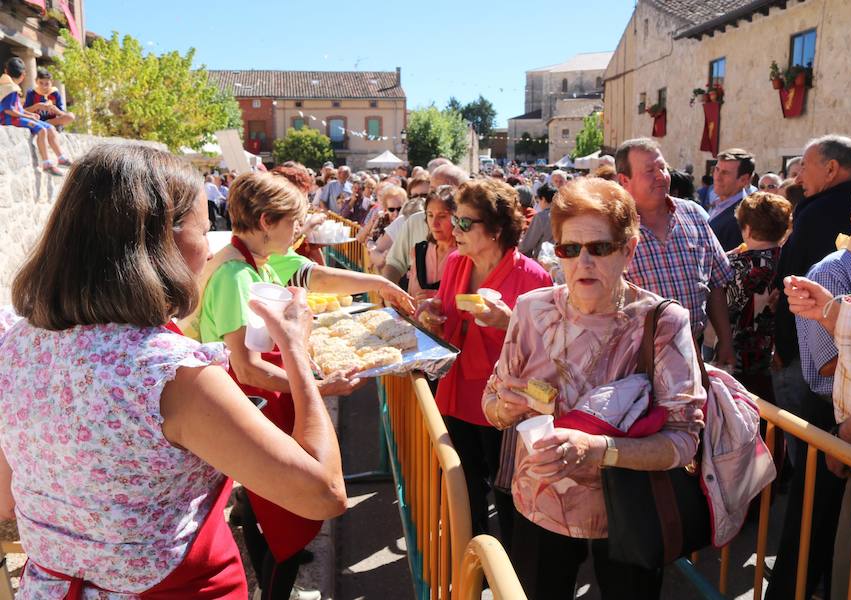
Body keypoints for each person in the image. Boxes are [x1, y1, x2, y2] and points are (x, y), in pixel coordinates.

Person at [0, 145, 348, 598]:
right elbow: (323, 493)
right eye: (206, 230)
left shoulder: (15, 344)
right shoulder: (174, 376)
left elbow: (7, 499)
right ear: (164, 241)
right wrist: (297, 353)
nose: (209, 248)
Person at [191, 171, 411, 600]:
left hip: (267, 402)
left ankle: (273, 556)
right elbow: (249, 369)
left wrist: (380, 283)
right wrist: (320, 389)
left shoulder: (262, 258)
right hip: (252, 403)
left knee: (265, 504)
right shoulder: (236, 276)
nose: (298, 232)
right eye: (292, 222)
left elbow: (318, 278)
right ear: (266, 219)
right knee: (284, 515)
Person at [482, 177, 705, 599]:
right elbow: (490, 403)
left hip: (628, 510)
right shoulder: (532, 310)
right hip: (539, 505)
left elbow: (684, 441)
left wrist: (597, 449)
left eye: (599, 248)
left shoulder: (661, 322)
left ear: (629, 249)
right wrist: (506, 409)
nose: (582, 263)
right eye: (569, 249)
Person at [767, 173, 851, 600]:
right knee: (814, 528)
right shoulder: (836, 269)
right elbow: (824, 365)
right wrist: (827, 311)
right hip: (836, 423)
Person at [417, 179, 552, 548]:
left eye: (465, 223)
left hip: (504, 403)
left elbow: (548, 347)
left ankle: (509, 572)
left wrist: (508, 321)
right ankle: (471, 570)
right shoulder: (457, 263)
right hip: (458, 391)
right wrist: (432, 311)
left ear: (495, 230)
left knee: (507, 492)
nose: (454, 229)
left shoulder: (533, 276)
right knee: (465, 490)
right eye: (455, 220)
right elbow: (445, 312)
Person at [773, 135, 851, 464]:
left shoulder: (818, 212)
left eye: (803, 167)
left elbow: (794, 285)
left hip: (812, 357)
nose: (797, 177)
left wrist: (781, 347)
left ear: (831, 169)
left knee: (809, 458)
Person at [614, 138, 736, 367]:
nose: (661, 176)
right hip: (637, 361)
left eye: (663, 167)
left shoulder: (694, 214)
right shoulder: (613, 229)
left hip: (694, 354)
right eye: (650, 171)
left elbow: (716, 283)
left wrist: (726, 340)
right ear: (624, 180)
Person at [724, 192, 792, 397]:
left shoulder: (730, 265)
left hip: (735, 362)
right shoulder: (790, 261)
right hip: (777, 360)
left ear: (748, 229)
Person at [381, 165, 468, 284]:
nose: (438, 196)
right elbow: (394, 263)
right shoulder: (414, 222)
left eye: (446, 191)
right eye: (433, 190)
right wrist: (388, 289)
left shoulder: (470, 236)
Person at [0, 57, 70, 175]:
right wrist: (29, 117)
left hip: (15, 116)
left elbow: (19, 109)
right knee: (42, 129)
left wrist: (30, 114)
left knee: (50, 128)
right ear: (23, 75)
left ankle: (61, 157)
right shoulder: (10, 89)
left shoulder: (12, 87)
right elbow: (9, 111)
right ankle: (46, 163)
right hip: (8, 119)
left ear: (6, 71)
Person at [407, 186, 457, 302]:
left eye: (442, 216)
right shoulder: (419, 251)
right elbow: (410, 297)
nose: (434, 224)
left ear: (456, 218)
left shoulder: (465, 255)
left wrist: (440, 298)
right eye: (430, 215)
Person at [710, 149, 756, 252]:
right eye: (717, 170)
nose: (718, 177)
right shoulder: (719, 205)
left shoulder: (743, 217)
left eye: (725, 173)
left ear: (744, 180)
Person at [518, 183, 557, 259]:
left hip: (544, 260)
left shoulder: (541, 217)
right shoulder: (565, 215)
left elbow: (526, 245)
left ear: (543, 199)